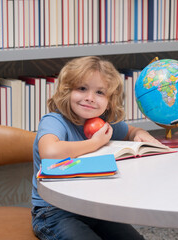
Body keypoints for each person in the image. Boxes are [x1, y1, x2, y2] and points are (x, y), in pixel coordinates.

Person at [31, 56, 161, 240]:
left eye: (100, 92)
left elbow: (131, 131)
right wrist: (95, 143)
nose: (90, 98)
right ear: (66, 91)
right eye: (82, 88)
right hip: (54, 212)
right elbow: (50, 152)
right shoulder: (54, 121)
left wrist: (140, 134)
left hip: (94, 208)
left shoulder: (102, 124)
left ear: (110, 100)